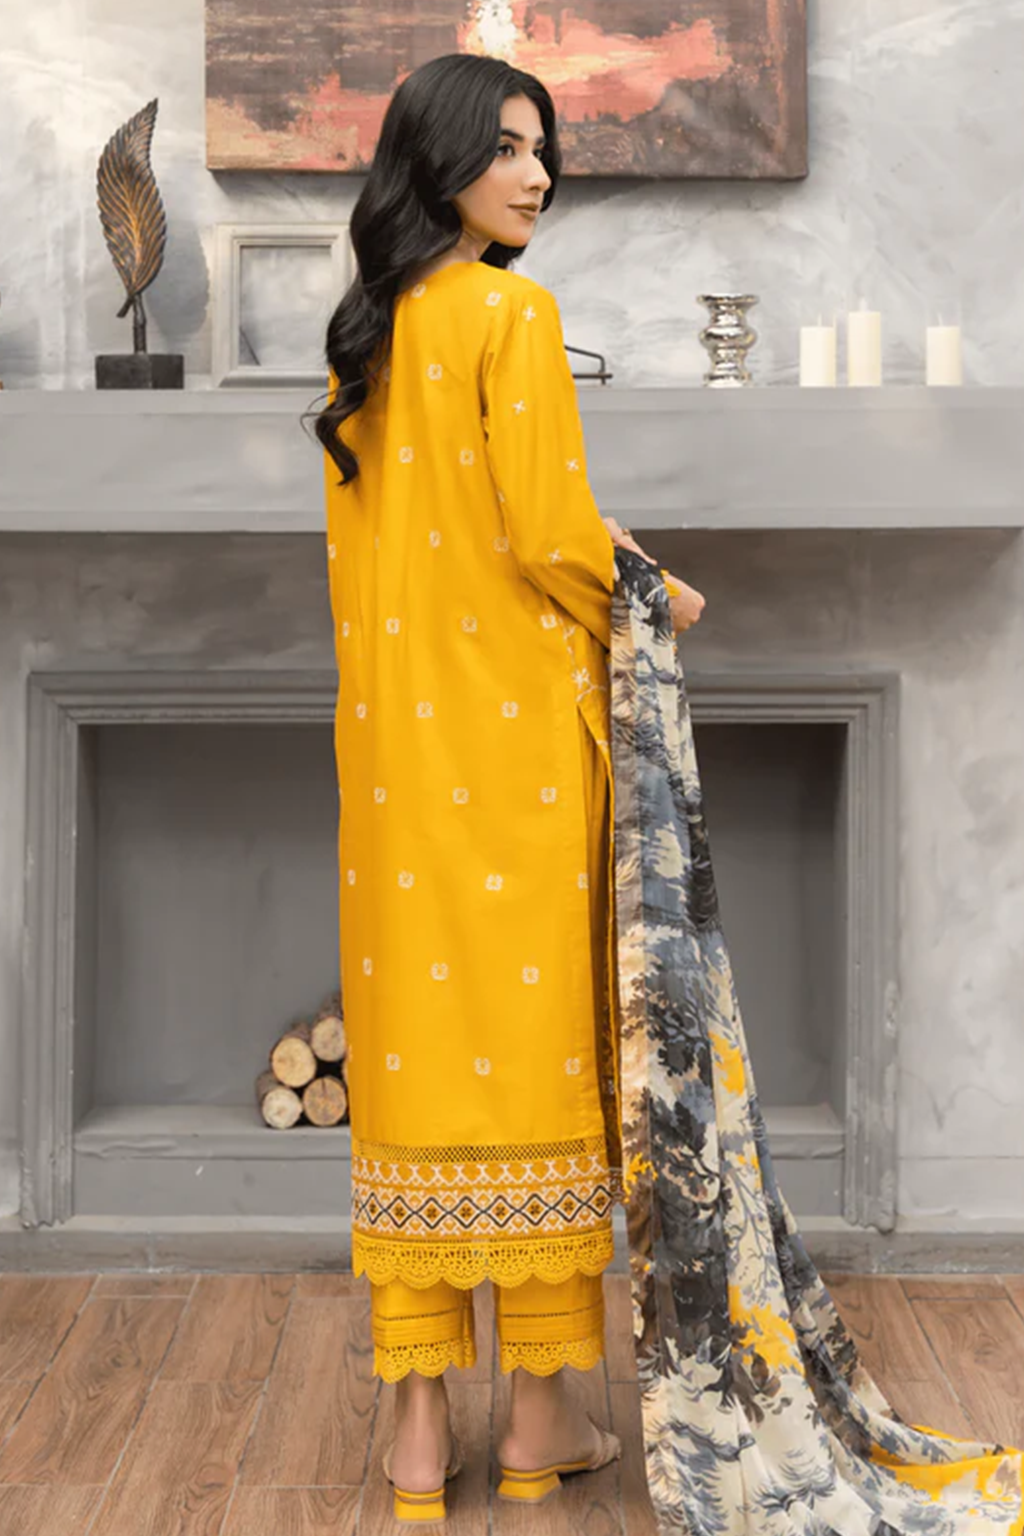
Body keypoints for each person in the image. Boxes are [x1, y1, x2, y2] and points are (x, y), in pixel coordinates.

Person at [316, 51, 705, 1523]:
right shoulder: (511, 315)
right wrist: (657, 593)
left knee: (417, 1060)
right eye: (507, 149)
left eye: (544, 149)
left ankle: (421, 1440)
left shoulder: (364, 336)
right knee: (540, 1057)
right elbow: (549, 534)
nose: (536, 176)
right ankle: (538, 1424)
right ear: (439, 162)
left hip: (395, 764)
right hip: (521, 752)